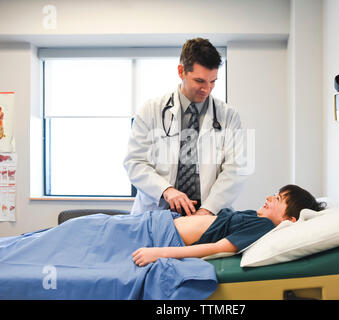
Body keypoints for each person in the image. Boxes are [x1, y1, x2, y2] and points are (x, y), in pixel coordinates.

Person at [124, 38, 248, 217]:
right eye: (199, 81)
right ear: (181, 71)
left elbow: (236, 169)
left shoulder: (228, 116)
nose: (207, 89)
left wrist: (207, 210)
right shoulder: (151, 110)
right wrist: (166, 190)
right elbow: (135, 162)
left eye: (212, 81)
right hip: (158, 211)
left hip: (207, 215)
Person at [132, 184, 326, 266]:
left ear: (288, 219)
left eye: (277, 198)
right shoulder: (257, 217)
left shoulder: (264, 226)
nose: (268, 197)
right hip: (160, 222)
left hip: (161, 235)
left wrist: (158, 253)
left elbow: (216, 248)